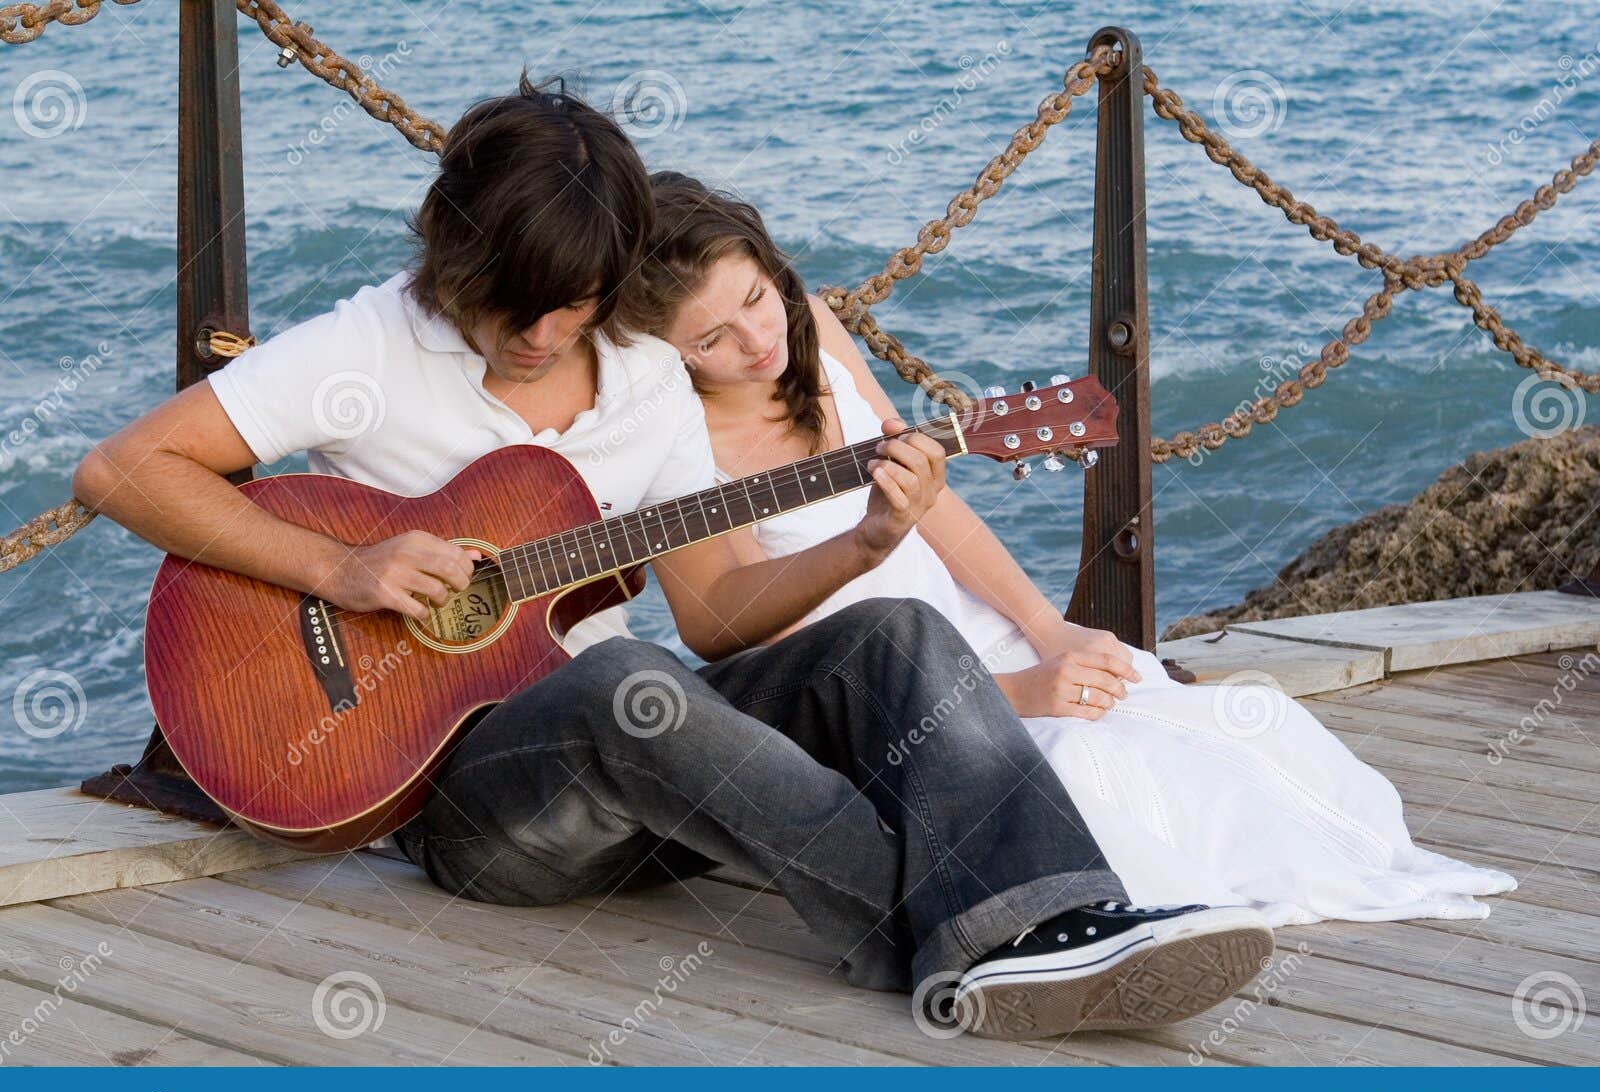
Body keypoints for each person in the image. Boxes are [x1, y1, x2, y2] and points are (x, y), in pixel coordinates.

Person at [72, 77, 1273, 1042]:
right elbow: (122, 469)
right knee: (610, 685)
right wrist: (339, 571)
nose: (546, 336)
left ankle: (1066, 916)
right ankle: (970, 941)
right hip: (469, 803)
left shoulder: (646, 378)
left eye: (575, 305)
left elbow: (719, 618)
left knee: (889, 634)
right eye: (515, 307)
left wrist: (866, 540)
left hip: (651, 785)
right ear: (454, 259)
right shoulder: (370, 343)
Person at [628, 171, 1517, 928]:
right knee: (1090, 772)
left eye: (755, 296)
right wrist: (1001, 696)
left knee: (1221, 722)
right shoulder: (677, 431)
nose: (757, 338)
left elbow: (931, 510)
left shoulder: (814, 326)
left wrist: (1045, 630)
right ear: (666, 353)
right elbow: (739, 634)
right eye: (712, 339)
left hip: (974, 636)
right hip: (874, 708)